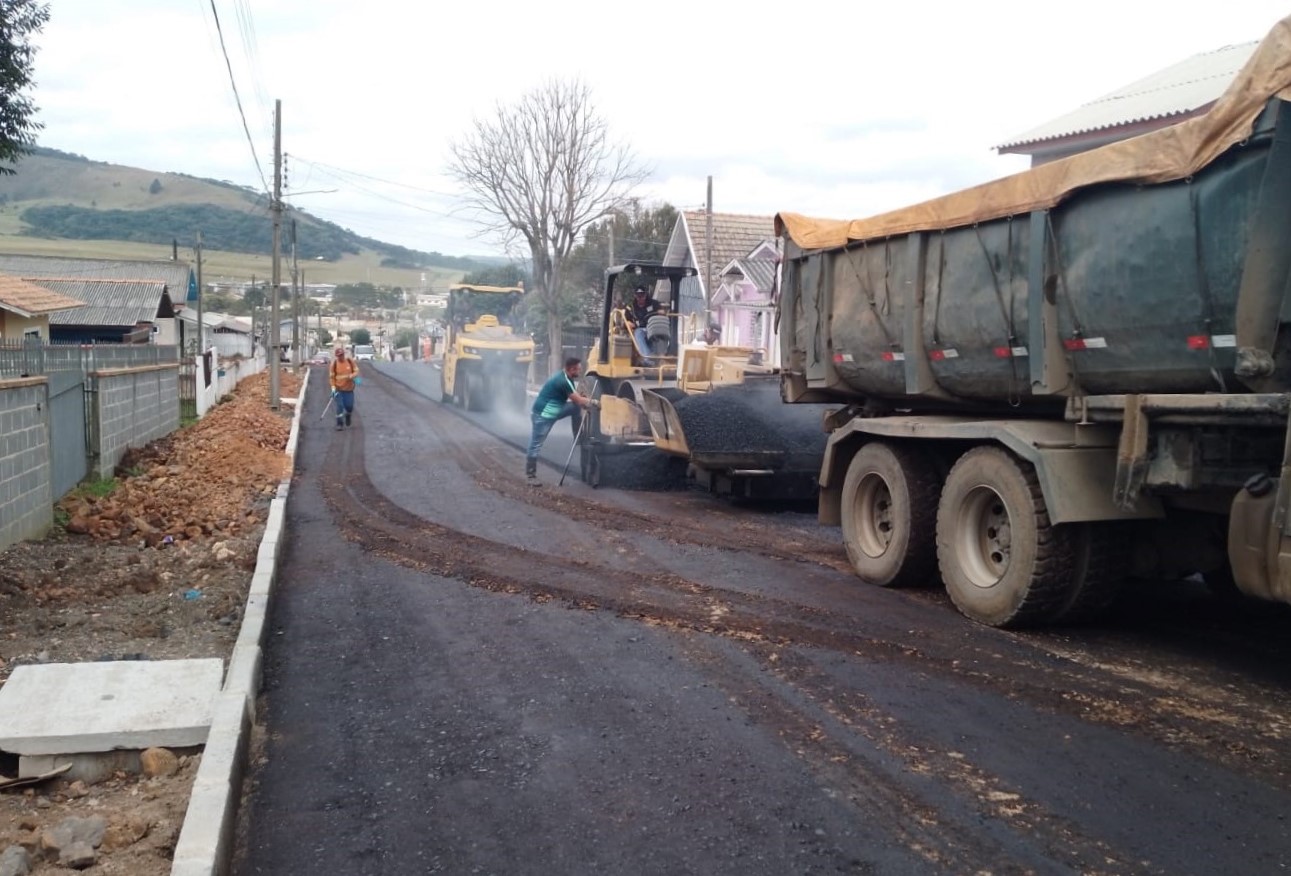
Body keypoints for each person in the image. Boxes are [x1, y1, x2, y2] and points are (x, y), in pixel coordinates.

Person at [526, 357, 598, 484]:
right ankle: (530, 476)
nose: (580, 371)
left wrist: (583, 402)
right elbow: (578, 400)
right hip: (543, 415)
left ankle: (579, 436)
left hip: (553, 410)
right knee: (536, 444)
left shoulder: (565, 377)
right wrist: (595, 402)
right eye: (579, 369)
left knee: (575, 408)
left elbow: (576, 398)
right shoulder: (562, 381)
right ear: (572, 369)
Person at [625, 285, 663, 364]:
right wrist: (628, 323)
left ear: (646, 295)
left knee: (658, 334)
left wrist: (661, 312)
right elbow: (626, 320)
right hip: (639, 329)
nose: (640, 298)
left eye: (642, 295)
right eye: (638, 296)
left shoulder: (653, 303)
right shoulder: (630, 307)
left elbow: (662, 312)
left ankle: (658, 357)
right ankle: (648, 358)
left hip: (652, 328)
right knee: (638, 333)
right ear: (635, 295)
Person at [329, 346, 360, 430]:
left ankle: (348, 415)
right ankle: (339, 424)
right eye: (339, 355)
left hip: (349, 390)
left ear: (344, 354)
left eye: (342, 355)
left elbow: (356, 371)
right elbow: (332, 377)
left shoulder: (350, 362)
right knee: (340, 406)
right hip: (338, 390)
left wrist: (352, 375)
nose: (341, 357)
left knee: (349, 406)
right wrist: (333, 388)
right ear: (336, 356)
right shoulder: (334, 365)